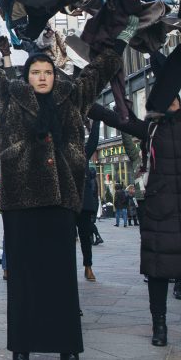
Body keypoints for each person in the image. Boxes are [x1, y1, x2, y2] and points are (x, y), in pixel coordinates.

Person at [0, 35, 122, 360]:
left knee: (62, 282)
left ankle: (70, 356)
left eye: (47, 72)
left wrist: (122, 35)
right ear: (27, 76)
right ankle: (21, 354)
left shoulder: (71, 98)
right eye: (35, 72)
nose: (42, 77)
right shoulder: (9, 96)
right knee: (23, 282)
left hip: (60, 200)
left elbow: (99, 72)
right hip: (21, 202)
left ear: (55, 75)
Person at [89, 92, 181, 348]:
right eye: (165, 94)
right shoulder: (150, 129)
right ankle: (159, 325)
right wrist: (87, 102)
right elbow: (116, 120)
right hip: (161, 210)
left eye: (174, 96)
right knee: (158, 269)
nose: (171, 99)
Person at [78, 120, 101, 282]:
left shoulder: (83, 153)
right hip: (66, 201)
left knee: (85, 236)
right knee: (65, 238)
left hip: (83, 203)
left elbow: (93, 140)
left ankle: (88, 266)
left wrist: (97, 121)